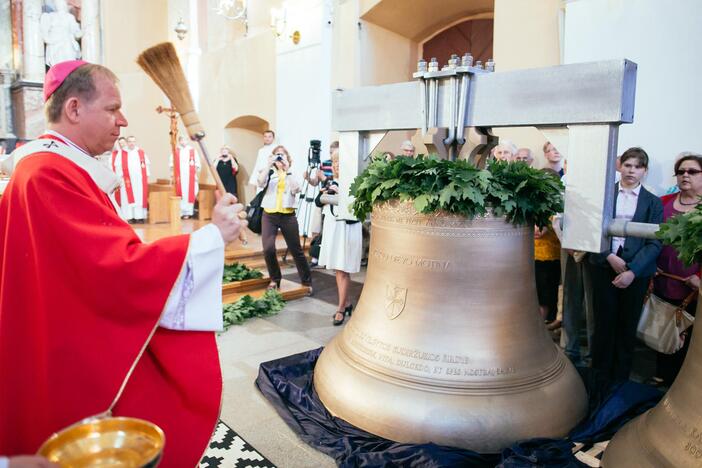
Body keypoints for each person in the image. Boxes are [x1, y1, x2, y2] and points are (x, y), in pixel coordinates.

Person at [0, 60, 244, 467]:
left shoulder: (51, 167)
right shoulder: (47, 173)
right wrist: (211, 237)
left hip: (62, 337)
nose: (123, 120)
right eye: (113, 109)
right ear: (74, 109)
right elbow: (115, 269)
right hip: (67, 356)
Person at [588, 147, 663, 381]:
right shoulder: (603, 195)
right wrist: (608, 255)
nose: (631, 170)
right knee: (603, 323)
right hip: (603, 267)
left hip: (635, 273)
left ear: (645, 171)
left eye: (637, 167)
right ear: (620, 166)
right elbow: (590, 230)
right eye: (628, 165)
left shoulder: (653, 202)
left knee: (627, 326)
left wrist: (633, 271)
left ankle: (620, 379)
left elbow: (655, 242)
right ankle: (598, 377)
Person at [647, 153, 702, 387]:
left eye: (692, 171)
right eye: (681, 172)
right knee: (663, 326)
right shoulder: (662, 202)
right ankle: (662, 376)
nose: (685, 175)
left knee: (690, 336)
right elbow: (648, 237)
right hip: (662, 278)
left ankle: (685, 384)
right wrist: (650, 264)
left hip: (693, 286)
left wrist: (699, 277)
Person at [316, 149, 362, 325]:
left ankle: (341, 308)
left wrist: (339, 192)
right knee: (337, 268)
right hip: (333, 226)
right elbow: (318, 202)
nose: (335, 165)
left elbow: (354, 205)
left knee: (343, 269)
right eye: (334, 162)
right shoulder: (330, 181)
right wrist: (328, 192)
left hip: (346, 227)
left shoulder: (354, 182)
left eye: (339, 162)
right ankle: (347, 303)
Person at [257, 145, 312, 291]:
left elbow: (297, 189)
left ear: (288, 158)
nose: (280, 158)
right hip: (269, 214)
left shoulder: (291, 173)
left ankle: (306, 281)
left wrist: (287, 170)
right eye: (277, 155)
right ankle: (275, 279)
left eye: (282, 155)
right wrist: (268, 165)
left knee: (296, 249)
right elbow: (260, 183)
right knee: (268, 248)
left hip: (288, 216)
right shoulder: (269, 172)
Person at [534, 169, 562, 328]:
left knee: (545, 293)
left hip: (550, 256)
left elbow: (552, 225)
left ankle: (540, 325)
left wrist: (545, 226)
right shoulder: (535, 200)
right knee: (537, 292)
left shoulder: (557, 203)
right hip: (532, 255)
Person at [113, 135, 150, 223]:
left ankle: (139, 217)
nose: (131, 143)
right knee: (127, 199)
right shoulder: (122, 153)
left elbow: (146, 165)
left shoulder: (140, 152)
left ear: (135, 142)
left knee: (138, 198)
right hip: (127, 180)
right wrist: (120, 177)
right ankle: (129, 217)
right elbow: (118, 166)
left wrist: (147, 176)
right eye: (130, 141)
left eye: (133, 141)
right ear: (127, 142)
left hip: (139, 180)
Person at [39, 0, 83, 67]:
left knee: (69, 60)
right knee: (57, 62)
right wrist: (48, 40)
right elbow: (44, 33)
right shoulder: (50, 16)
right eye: (58, 3)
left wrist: (81, 32)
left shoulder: (69, 17)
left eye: (62, 3)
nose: (60, 5)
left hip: (67, 41)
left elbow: (76, 31)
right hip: (54, 42)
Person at [171, 135, 201, 219]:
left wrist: (194, 173)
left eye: (185, 140)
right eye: (182, 140)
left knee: (190, 193)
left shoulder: (192, 151)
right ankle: (180, 212)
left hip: (190, 177)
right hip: (179, 177)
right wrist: (172, 175)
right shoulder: (176, 150)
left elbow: (197, 163)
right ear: (179, 141)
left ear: (188, 141)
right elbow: (171, 163)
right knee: (181, 194)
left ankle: (188, 212)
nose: (184, 142)